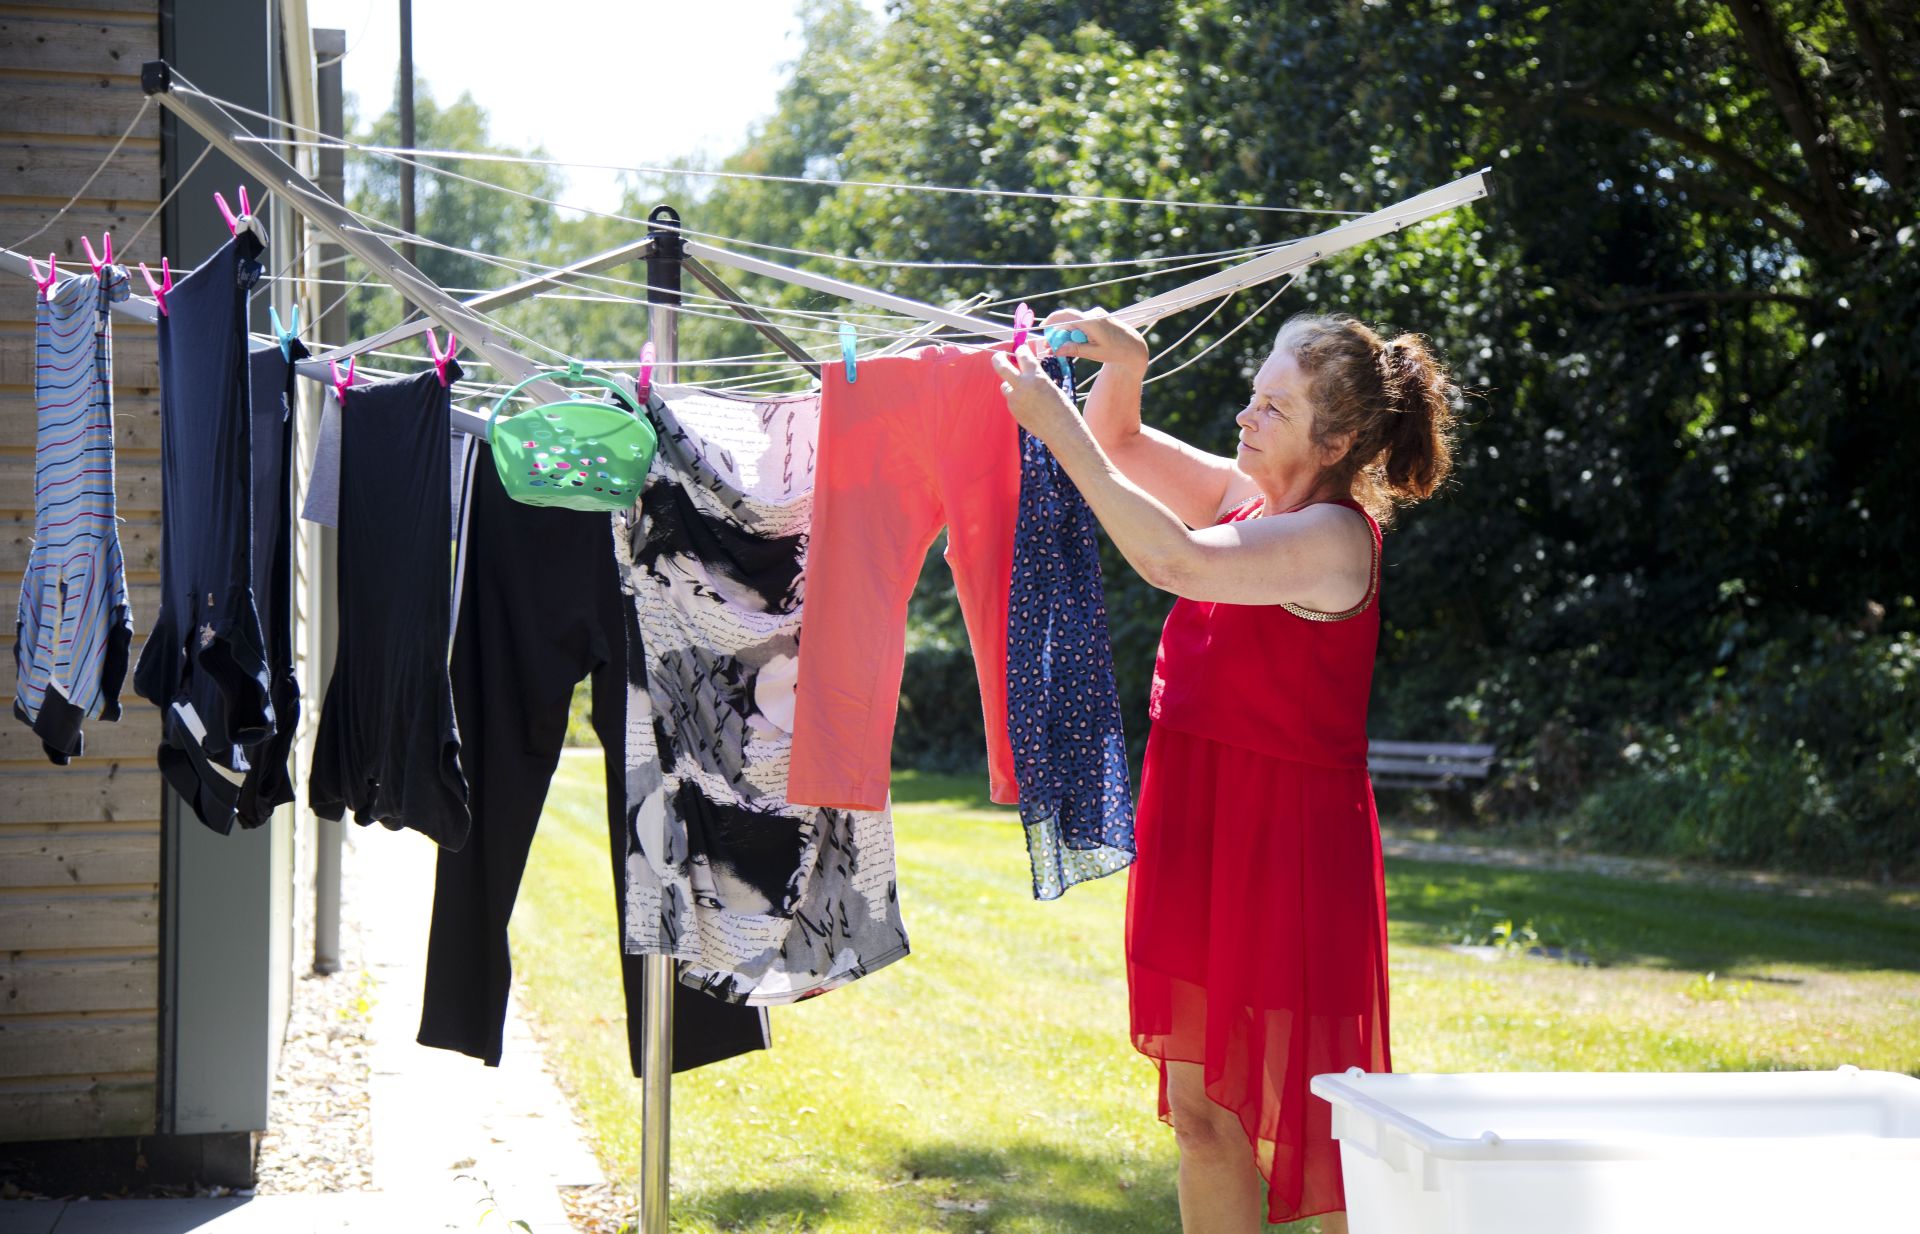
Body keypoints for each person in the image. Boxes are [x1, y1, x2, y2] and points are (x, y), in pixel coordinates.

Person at [993, 308, 1458, 1234]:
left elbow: (1170, 559)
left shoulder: (1333, 539)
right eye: (1254, 395)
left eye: (1275, 408)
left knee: (1324, 1124)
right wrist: (1126, 365)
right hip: (1196, 822)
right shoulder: (1246, 497)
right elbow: (1122, 445)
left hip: (1286, 846)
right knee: (1203, 1118)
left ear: (1337, 443)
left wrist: (1057, 427)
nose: (1246, 416)